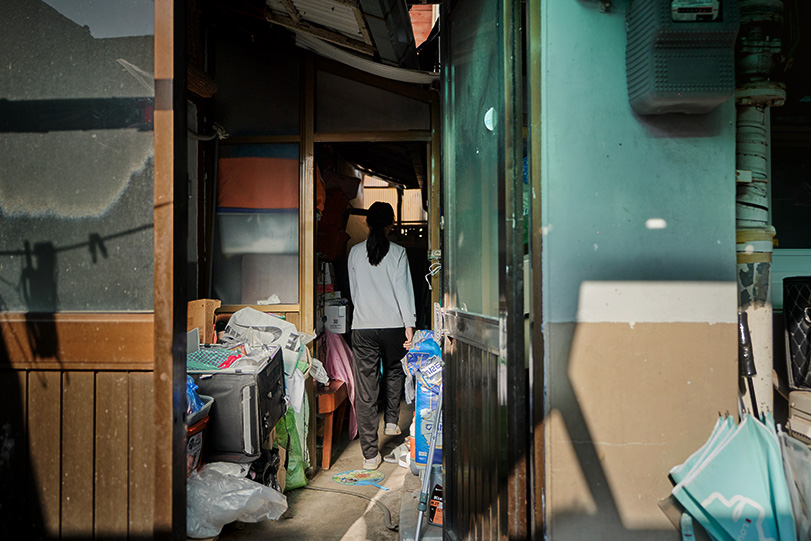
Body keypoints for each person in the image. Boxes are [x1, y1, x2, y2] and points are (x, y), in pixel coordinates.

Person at [347, 201, 416, 470]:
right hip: (393, 324)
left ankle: (369, 456)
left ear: (367, 223)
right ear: (391, 224)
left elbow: (354, 292)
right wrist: (409, 324)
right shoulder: (398, 253)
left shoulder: (354, 253)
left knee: (366, 389)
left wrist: (364, 314)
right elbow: (403, 290)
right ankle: (391, 420)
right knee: (396, 369)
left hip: (363, 326)